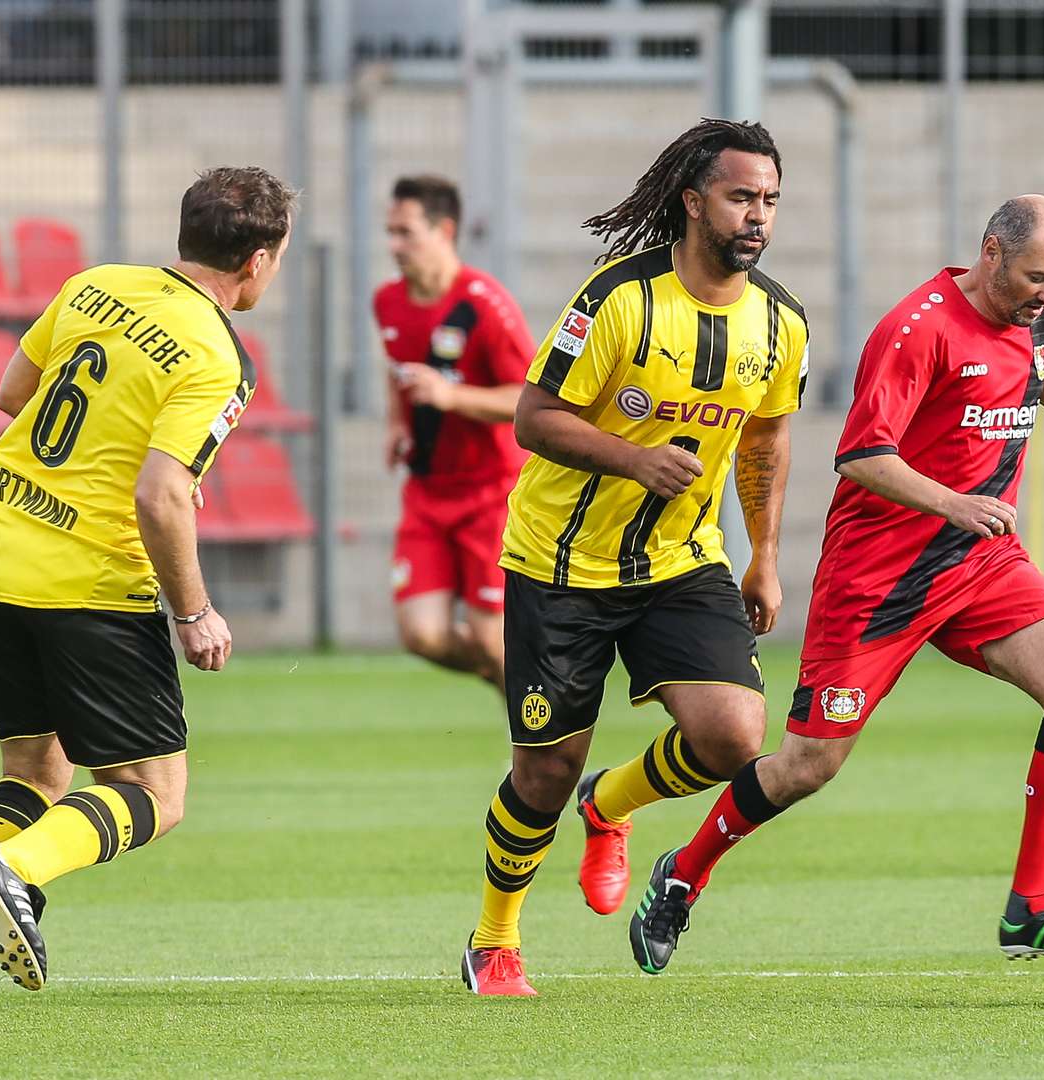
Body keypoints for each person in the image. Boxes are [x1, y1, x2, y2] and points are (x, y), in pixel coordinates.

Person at [627, 195, 1044, 975]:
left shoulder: (1030, 313)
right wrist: (954, 502)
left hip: (978, 563)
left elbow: (1040, 361)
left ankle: (1030, 906)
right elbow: (862, 455)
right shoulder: (918, 329)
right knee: (808, 766)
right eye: (1040, 277)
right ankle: (683, 874)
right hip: (881, 576)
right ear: (992, 253)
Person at [0, 166, 296, 1044]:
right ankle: (11, 868)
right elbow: (162, 494)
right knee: (155, 793)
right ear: (260, 259)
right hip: (88, 587)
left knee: (33, 775)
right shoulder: (217, 352)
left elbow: (14, 396)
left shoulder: (96, 285)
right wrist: (195, 611)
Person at [458, 119, 808, 996]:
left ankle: (611, 805)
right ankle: (493, 939)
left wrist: (763, 553)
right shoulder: (618, 299)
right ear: (694, 203)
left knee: (735, 736)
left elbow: (767, 435)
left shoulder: (782, 322)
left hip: (683, 561)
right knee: (543, 769)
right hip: (560, 563)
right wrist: (634, 457)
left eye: (768, 199)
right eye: (739, 197)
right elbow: (533, 418)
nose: (757, 216)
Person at [374, 175, 536, 692]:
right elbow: (397, 365)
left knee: (494, 639)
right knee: (422, 634)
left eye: (405, 233)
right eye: (390, 233)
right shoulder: (388, 301)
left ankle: (543, 739)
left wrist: (451, 397)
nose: (394, 246)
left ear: (444, 230)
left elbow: (528, 400)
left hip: (491, 494)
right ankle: (538, 697)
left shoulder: (485, 306)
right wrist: (397, 423)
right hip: (427, 494)